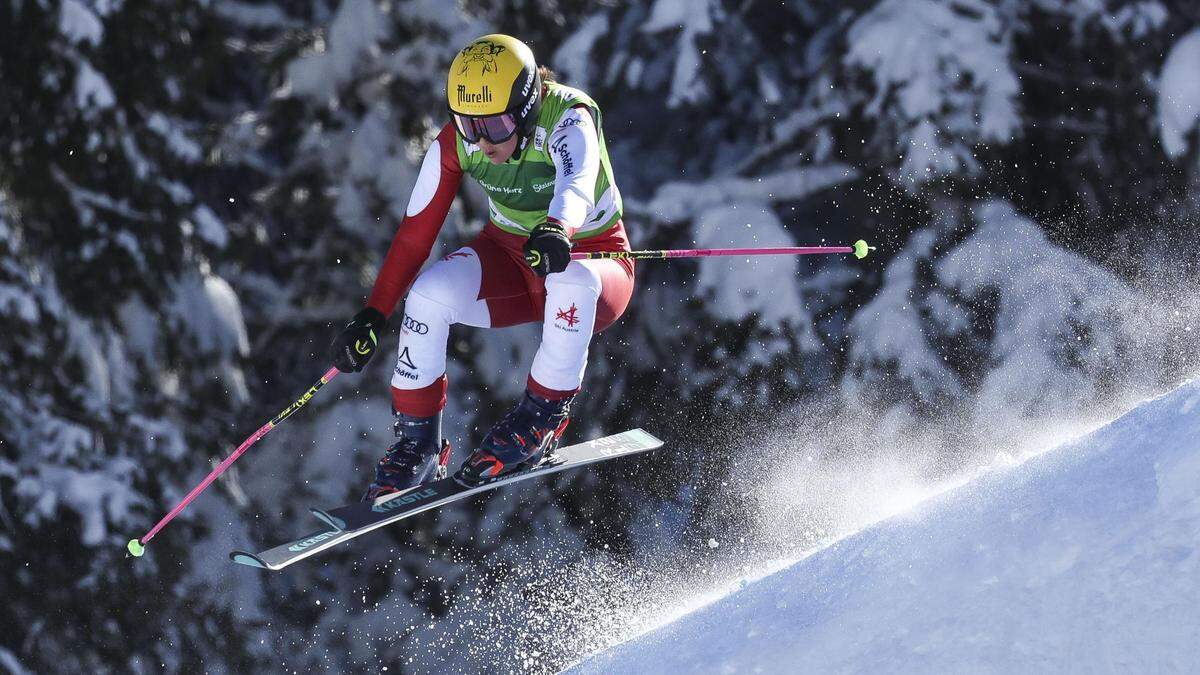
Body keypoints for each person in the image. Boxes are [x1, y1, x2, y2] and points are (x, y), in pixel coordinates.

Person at [329, 34, 635, 499]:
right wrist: (374, 312)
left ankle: (542, 419)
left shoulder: (569, 118)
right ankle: (417, 446)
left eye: (494, 126)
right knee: (429, 295)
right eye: (469, 126)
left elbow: (576, 182)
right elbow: (415, 234)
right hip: (512, 261)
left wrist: (557, 229)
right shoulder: (460, 143)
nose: (482, 142)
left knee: (571, 278)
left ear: (529, 104)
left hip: (592, 263)